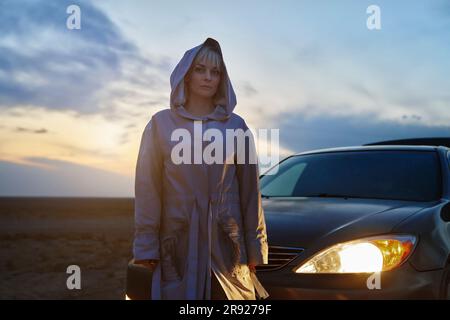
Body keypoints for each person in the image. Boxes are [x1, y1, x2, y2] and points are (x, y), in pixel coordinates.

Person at [133, 37, 269, 300]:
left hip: (228, 245)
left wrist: (254, 248)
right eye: (200, 69)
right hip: (177, 244)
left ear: (222, 78)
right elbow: (148, 189)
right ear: (186, 74)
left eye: (215, 72)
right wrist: (146, 247)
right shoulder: (160, 125)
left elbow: (251, 193)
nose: (208, 77)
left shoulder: (236, 127)